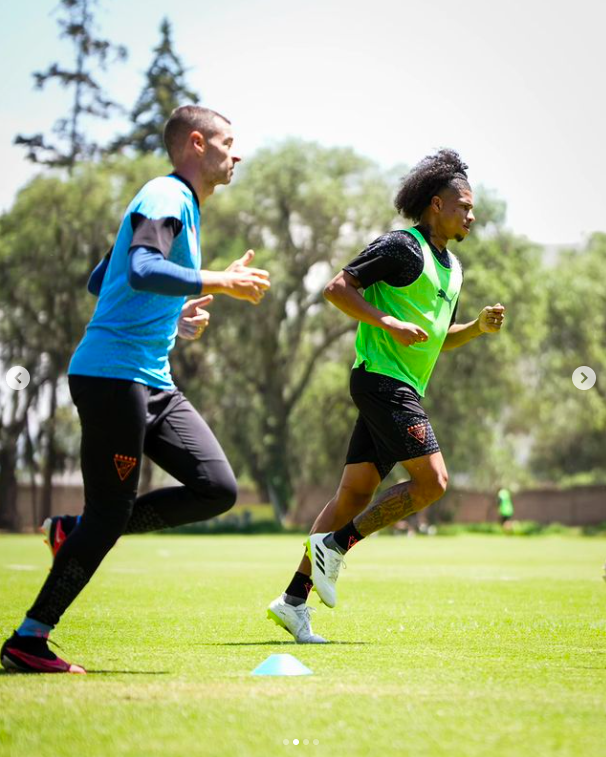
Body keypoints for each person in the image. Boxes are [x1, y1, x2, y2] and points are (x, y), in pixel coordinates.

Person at [1, 105, 270, 674]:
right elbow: (144, 267)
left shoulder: (179, 208)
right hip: (112, 378)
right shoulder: (167, 197)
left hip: (149, 380)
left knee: (216, 487)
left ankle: (71, 532)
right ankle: (29, 640)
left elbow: (106, 278)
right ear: (196, 144)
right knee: (110, 513)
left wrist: (175, 316)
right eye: (228, 142)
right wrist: (216, 279)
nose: (237, 153)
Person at [267, 149, 504, 642]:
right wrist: (386, 321)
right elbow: (337, 288)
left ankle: (292, 600)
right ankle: (337, 545)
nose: (471, 215)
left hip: (398, 385)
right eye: (464, 205)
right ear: (436, 204)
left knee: (354, 493)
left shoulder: (453, 268)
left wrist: (476, 328)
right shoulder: (401, 246)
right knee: (433, 483)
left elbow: (441, 337)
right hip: (382, 381)